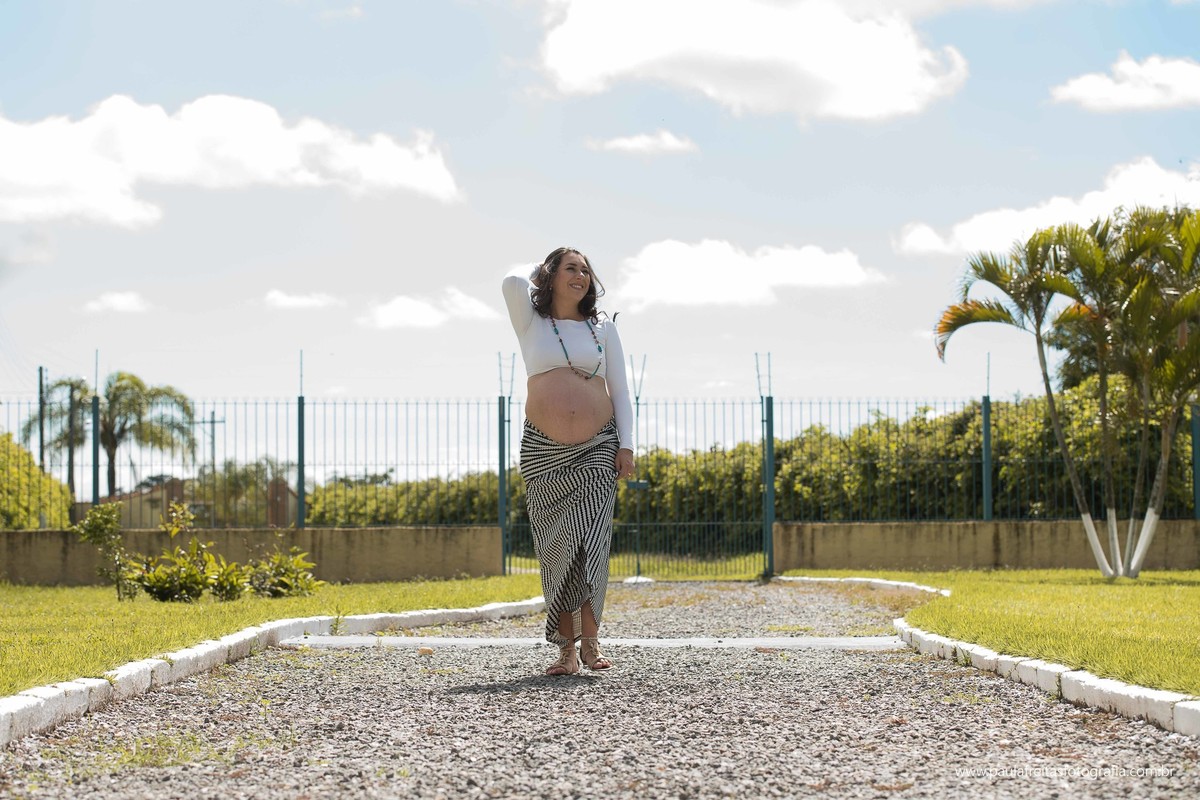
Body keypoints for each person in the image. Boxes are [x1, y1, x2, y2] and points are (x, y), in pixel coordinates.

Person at [503, 247, 635, 675]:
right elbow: (510, 283)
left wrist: (626, 445)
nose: (581, 276)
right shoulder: (531, 322)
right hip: (543, 453)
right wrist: (538, 265)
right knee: (557, 547)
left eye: (586, 270)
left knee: (590, 542)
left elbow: (621, 390)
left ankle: (592, 643)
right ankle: (566, 651)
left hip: (598, 446)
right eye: (570, 268)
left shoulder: (603, 329)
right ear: (550, 275)